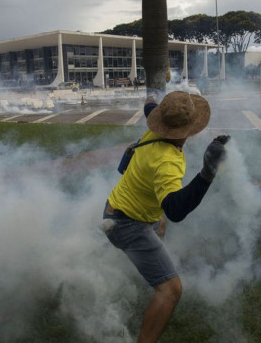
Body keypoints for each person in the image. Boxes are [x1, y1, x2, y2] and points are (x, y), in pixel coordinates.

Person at [102, 90, 229, 342]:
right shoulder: (167, 161)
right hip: (126, 224)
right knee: (171, 290)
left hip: (115, 207)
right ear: (190, 128)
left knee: (159, 225)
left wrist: (151, 93)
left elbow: (150, 105)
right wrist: (207, 172)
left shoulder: (156, 127)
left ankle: (151, 260)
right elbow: (175, 210)